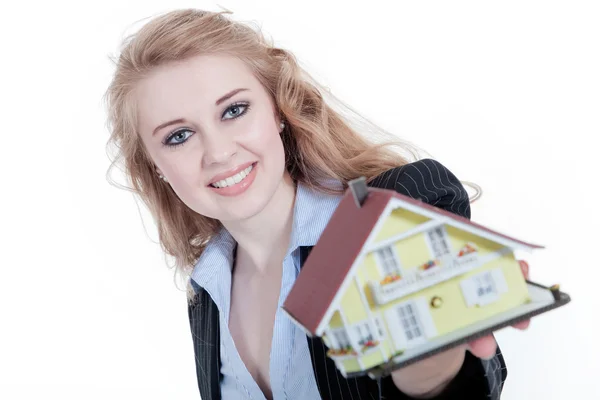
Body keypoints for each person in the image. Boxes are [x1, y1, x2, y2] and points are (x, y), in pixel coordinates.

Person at [104, 8, 530, 400]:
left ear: (277, 110)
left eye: (234, 110)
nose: (218, 152)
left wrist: (428, 360)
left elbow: (459, 385)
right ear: (155, 165)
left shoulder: (394, 213)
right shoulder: (208, 289)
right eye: (178, 136)